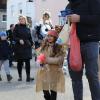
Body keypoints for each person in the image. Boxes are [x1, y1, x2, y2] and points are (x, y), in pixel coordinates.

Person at [67, 0, 100, 100]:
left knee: (91, 75)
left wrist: (80, 18)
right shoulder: (69, 5)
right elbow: (66, 24)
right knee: (75, 77)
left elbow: (97, 18)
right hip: (73, 44)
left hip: (90, 42)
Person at [36, 30, 65, 100]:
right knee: (45, 89)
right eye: (48, 36)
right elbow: (40, 54)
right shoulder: (44, 46)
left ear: (55, 37)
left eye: (51, 36)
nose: (49, 38)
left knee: (53, 89)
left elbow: (60, 59)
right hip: (45, 70)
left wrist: (48, 60)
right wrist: (39, 60)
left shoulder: (58, 47)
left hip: (54, 71)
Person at [13, 16, 34, 82]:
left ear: (25, 20)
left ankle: (28, 77)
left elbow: (30, 38)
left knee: (27, 62)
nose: (21, 20)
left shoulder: (28, 28)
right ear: (19, 20)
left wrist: (32, 44)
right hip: (19, 47)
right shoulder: (16, 27)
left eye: (22, 19)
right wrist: (19, 40)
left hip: (27, 46)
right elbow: (14, 37)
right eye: (20, 19)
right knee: (20, 62)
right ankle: (20, 76)